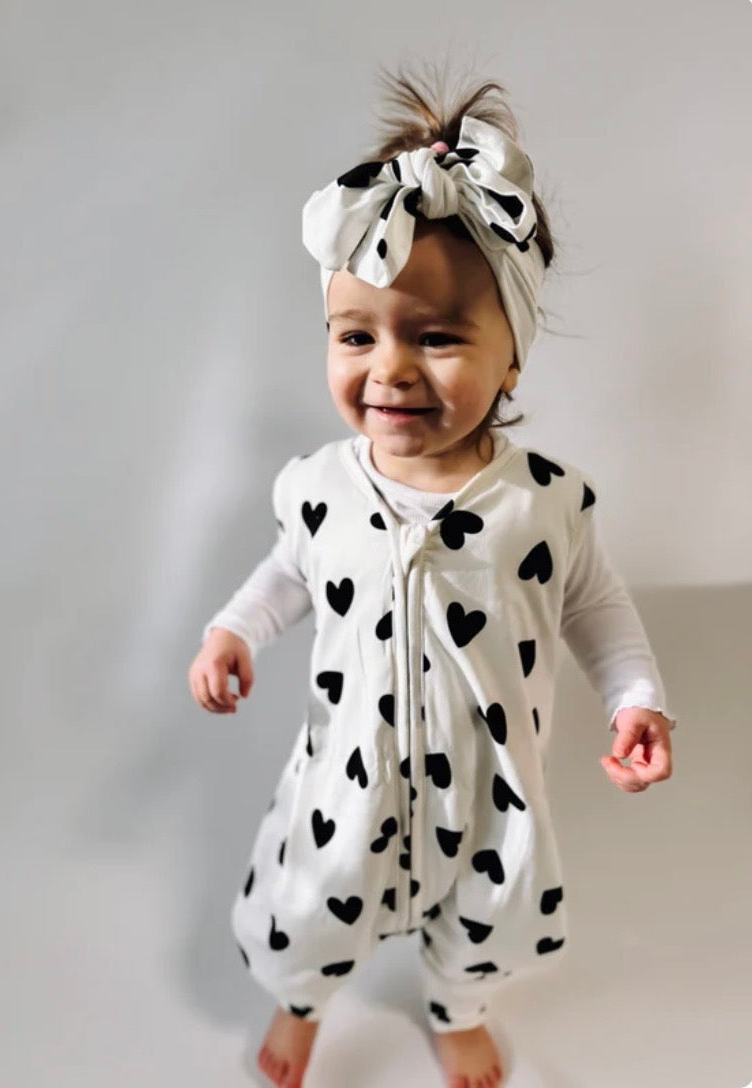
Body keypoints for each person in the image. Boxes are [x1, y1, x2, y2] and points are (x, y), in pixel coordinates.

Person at [188, 65, 677, 1088]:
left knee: (484, 922)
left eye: (437, 336)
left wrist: (636, 696)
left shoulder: (544, 502)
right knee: (308, 902)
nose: (391, 369)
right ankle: (301, 1000)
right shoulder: (319, 486)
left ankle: (458, 1008)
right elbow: (289, 571)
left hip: (489, 786)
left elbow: (595, 605)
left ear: (512, 357)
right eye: (355, 335)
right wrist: (233, 630)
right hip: (347, 778)